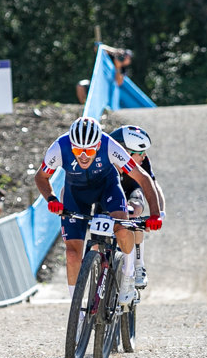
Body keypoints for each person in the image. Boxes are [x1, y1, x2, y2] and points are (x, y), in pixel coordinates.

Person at [34, 115, 162, 306]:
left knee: (122, 227)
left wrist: (155, 215)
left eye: (90, 150)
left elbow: (143, 178)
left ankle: (128, 276)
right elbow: (41, 177)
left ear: (99, 145)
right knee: (72, 254)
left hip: (107, 189)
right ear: (71, 145)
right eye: (77, 150)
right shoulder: (59, 147)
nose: (83, 155)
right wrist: (51, 198)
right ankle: (76, 309)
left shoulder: (109, 144)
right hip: (75, 194)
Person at [110, 124, 165, 293]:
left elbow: (154, 186)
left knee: (134, 212)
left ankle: (139, 263)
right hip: (109, 193)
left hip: (132, 190)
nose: (144, 156)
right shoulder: (106, 158)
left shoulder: (143, 163)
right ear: (126, 153)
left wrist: (160, 213)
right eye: (140, 153)